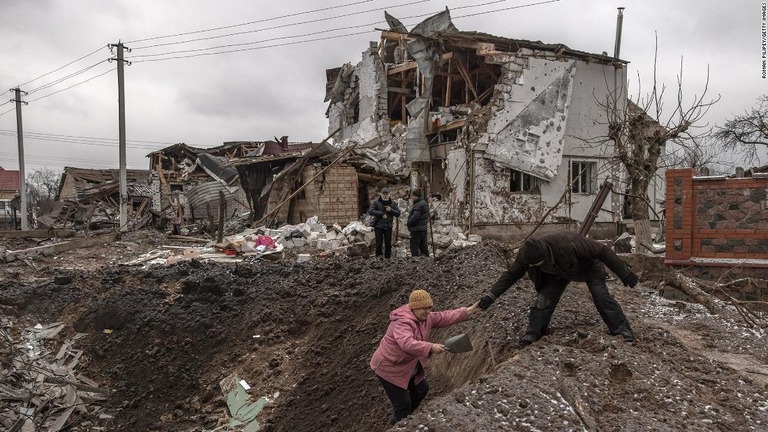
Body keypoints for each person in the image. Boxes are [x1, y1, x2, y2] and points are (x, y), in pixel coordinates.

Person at [477, 231, 639, 345]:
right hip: (556, 274)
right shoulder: (527, 255)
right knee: (543, 300)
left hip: (588, 268)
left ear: (545, 255)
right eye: (531, 265)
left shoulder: (569, 242)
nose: (533, 266)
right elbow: (511, 275)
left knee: (600, 296)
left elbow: (602, 251)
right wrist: (491, 296)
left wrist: (625, 273)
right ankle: (534, 332)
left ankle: (622, 331)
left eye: (536, 264)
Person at [371, 289, 480, 424]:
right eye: (424, 308)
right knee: (403, 405)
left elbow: (444, 317)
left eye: (429, 307)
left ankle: (405, 421)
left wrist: (467, 311)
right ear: (413, 308)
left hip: (406, 366)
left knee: (422, 389)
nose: (427, 311)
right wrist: (430, 347)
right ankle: (398, 424)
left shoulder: (426, 318)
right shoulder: (402, 323)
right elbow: (406, 343)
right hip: (389, 368)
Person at [368, 187, 401, 258]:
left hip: (388, 226)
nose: (385, 195)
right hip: (378, 226)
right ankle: (379, 259)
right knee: (378, 244)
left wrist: (391, 210)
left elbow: (398, 214)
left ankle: (387, 260)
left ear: (389, 194)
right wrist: (381, 214)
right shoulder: (376, 202)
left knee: (388, 244)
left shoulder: (393, 203)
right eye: (384, 194)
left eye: (387, 194)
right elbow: (370, 211)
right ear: (381, 194)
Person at [406, 189, 429, 257]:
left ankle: (415, 261)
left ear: (416, 196)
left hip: (416, 229)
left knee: (414, 247)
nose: (411, 197)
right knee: (423, 246)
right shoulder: (424, 203)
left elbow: (415, 217)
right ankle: (427, 261)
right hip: (422, 229)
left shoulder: (418, 205)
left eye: (412, 196)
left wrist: (408, 223)